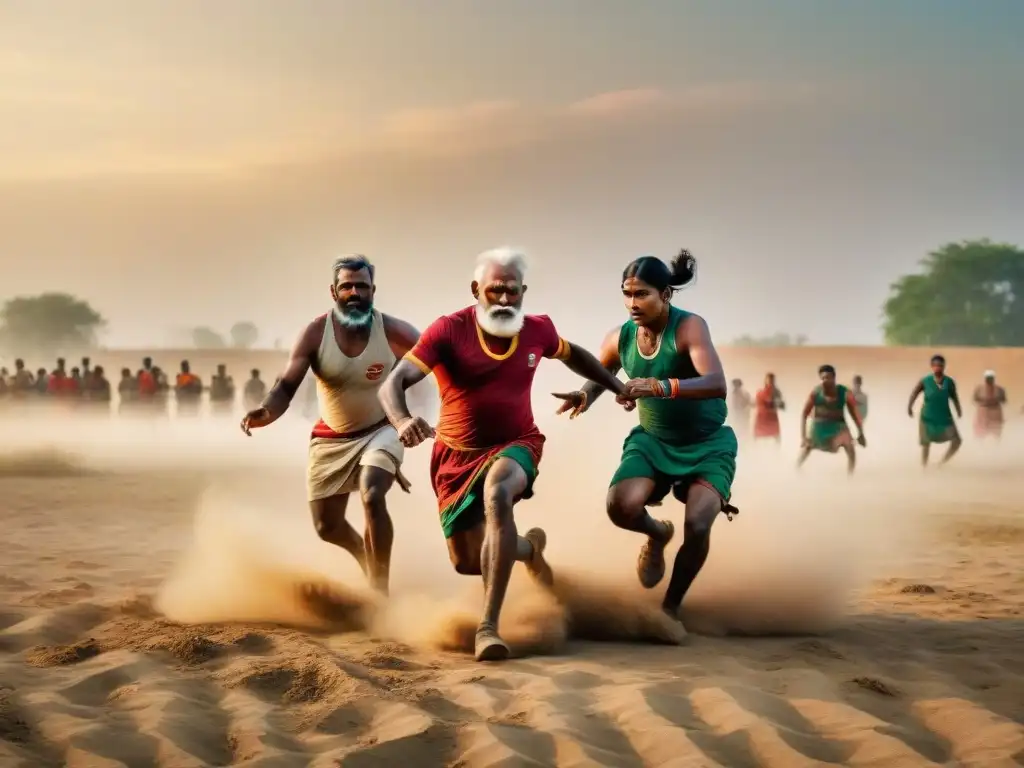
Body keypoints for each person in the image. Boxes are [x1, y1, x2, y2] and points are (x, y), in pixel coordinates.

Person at [378, 246, 631, 661]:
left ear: (523, 291)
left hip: (518, 445)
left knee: (498, 494)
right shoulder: (447, 331)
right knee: (466, 561)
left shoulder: (537, 329)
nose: (504, 299)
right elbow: (393, 384)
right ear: (476, 289)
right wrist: (403, 421)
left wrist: (615, 387)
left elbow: (576, 355)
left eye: (513, 291)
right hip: (455, 457)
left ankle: (487, 627)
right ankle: (528, 549)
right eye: (495, 290)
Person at [554, 250, 738, 624]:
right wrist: (585, 395)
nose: (632, 303)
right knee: (619, 507)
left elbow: (716, 383)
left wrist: (659, 386)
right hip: (653, 441)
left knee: (699, 524)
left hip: (706, 444)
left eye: (642, 295)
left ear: (666, 295)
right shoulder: (618, 337)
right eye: (627, 294)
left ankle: (670, 609)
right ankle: (657, 535)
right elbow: (601, 374)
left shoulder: (689, 328)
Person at [241, 255, 421, 595]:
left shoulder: (395, 332)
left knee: (372, 493)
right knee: (327, 527)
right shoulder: (314, 333)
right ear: (333, 291)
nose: (354, 293)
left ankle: (379, 593)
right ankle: (363, 557)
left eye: (362, 287)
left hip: (382, 428)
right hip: (332, 438)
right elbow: (285, 385)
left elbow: (440, 360)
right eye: (346, 286)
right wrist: (265, 412)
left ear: (373, 290)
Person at [796, 365, 866, 474]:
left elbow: (854, 414)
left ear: (834, 377)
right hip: (819, 426)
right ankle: (796, 469)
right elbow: (804, 414)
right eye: (822, 378)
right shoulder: (816, 392)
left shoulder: (844, 392)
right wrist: (804, 437)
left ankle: (850, 477)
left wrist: (861, 433)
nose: (824, 381)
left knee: (850, 449)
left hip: (839, 426)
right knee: (807, 448)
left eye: (827, 377)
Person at [908, 354, 962, 466]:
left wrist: (958, 409)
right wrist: (910, 407)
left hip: (944, 417)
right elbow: (914, 393)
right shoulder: (925, 381)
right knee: (926, 444)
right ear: (931, 366)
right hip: (927, 417)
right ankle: (924, 468)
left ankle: (941, 463)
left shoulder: (949, 382)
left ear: (944, 366)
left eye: (940, 365)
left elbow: (954, 397)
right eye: (935, 365)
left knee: (957, 441)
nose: (938, 367)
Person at [972, 370, 1006, 440]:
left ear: (993, 378)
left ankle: (997, 447)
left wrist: (995, 400)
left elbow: (1004, 400)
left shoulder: (999, 389)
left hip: (995, 412)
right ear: (985, 378)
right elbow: (975, 399)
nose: (989, 380)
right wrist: (984, 400)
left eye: (991, 378)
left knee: (996, 432)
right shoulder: (979, 389)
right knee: (981, 433)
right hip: (983, 412)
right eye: (988, 378)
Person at [753, 373, 785, 443]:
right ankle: (754, 449)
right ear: (765, 380)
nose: (771, 381)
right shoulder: (760, 392)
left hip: (772, 417)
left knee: (776, 436)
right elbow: (756, 402)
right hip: (762, 416)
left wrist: (776, 403)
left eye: (772, 380)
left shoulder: (776, 392)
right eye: (769, 379)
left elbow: (782, 405)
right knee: (757, 435)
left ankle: (777, 452)